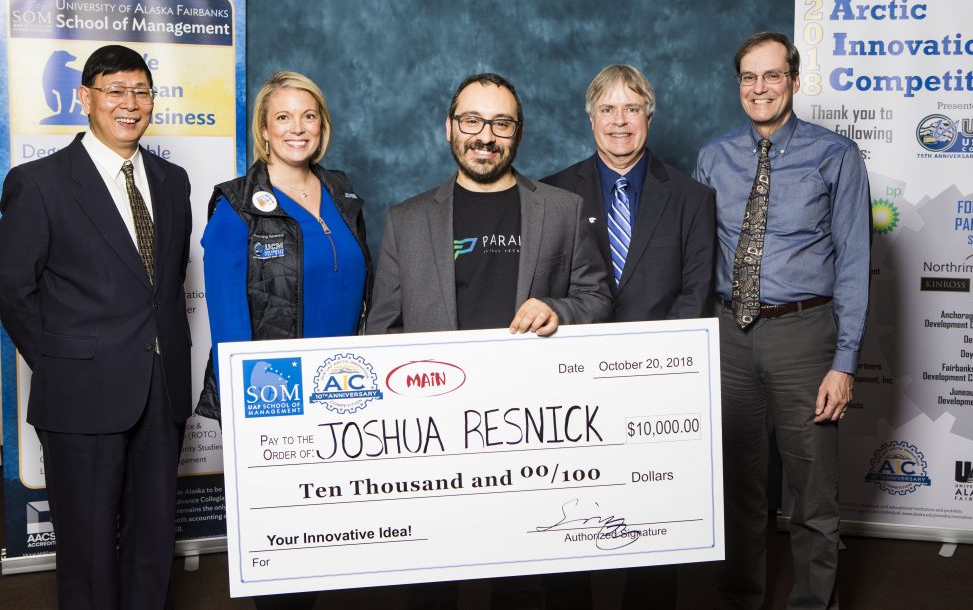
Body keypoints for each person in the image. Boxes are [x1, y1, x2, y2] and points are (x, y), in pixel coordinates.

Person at [366, 72, 613, 609]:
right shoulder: (407, 220)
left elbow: (597, 298)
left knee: (526, 574)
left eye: (501, 123)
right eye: (472, 121)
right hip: (434, 431)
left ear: (518, 132)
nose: (485, 136)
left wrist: (558, 309)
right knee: (432, 578)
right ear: (449, 128)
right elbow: (382, 331)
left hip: (533, 430)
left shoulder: (561, 210)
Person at [0, 45, 193, 609]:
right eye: (115, 91)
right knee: (86, 549)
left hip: (161, 390)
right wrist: (63, 364)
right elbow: (12, 288)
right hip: (80, 394)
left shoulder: (173, 180)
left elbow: (162, 287)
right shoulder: (39, 182)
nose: (130, 104)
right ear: (85, 98)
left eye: (141, 92)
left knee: (153, 539)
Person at [694, 31, 870, 609]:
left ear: (794, 81)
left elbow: (854, 263)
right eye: (749, 77)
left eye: (772, 75)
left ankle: (814, 604)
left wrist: (844, 363)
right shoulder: (713, 157)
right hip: (729, 336)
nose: (760, 87)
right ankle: (740, 599)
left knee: (813, 494)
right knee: (737, 489)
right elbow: (697, 256)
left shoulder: (836, 155)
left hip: (804, 336)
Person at [196, 71, 372, 610]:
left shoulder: (342, 192)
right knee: (283, 544)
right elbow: (229, 327)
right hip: (277, 398)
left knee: (324, 537)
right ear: (264, 131)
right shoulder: (236, 207)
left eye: (308, 116)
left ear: (323, 125)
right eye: (283, 117)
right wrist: (256, 416)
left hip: (342, 393)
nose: (298, 128)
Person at [542, 63, 716, 608]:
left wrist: (657, 372)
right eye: (608, 109)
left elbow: (695, 297)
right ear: (590, 118)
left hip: (655, 385)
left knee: (652, 517)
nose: (620, 121)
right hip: (572, 384)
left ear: (649, 117)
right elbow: (547, 289)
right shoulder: (552, 193)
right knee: (572, 514)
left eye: (632, 108)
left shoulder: (691, 197)